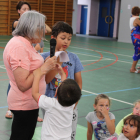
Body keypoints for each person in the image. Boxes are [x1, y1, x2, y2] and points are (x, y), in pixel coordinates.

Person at [3, 10, 57, 140]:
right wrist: (43, 68)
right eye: (42, 27)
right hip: (24, 105)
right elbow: (23, 84)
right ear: (32, 27)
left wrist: (45, 65)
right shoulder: (19, 46)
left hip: (29, 104)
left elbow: (31, 69)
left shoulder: (26, 43)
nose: (44, 31)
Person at [41, 21, 84, 140]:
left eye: (69, 39)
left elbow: (78, 82)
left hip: (70, 104)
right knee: (51, 133)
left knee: (70, 133)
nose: (66, 41)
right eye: (63, 38)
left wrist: (76, 102)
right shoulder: (45, 57)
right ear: (53, 38)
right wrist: (58, 59)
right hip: (51, 103)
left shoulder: (74, 58)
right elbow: (46, 80)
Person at [32, 63, 82, 140]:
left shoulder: (50, 104)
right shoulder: (72, 104)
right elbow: (65, 87)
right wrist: (62, 73)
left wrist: (37, 76)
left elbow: (34, 93)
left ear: (56, 93)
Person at [5, 0, 31, 119]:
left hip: (27, 54)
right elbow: (22, 25)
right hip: (16, 55)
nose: (26, 11)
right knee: (14, 82)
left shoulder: (31, 24)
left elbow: (46, 29)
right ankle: (10, 109)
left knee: (28, 82)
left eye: (28, 9)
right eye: (24, 9)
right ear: (19, 11)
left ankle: (31, 109)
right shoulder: (17, 23)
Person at [130, 6, 140, 73]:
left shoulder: (132, 17)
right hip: (137, 38)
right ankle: (132, 69)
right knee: (137, 52)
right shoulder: (136, 19)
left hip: (135, 37)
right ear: (137, 13)